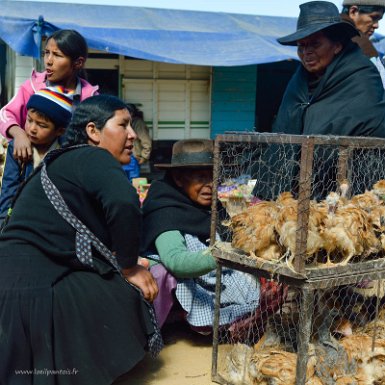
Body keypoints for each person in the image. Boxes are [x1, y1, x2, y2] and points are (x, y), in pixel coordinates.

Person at [0, 94, 162, 385]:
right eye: (123, 125)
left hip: (12, 288)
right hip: (33, 294)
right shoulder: (93, 156)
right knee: (131, 287)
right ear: (93, 131)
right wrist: (128, 267)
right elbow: (125, 204)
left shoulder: (63, 162)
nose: (133, 134)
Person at [141, 139, 261, 333]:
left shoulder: (223, 194)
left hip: (219, 271)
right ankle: (175, 320)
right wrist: (228, 254)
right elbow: (177, 262)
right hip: (189, 275)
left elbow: (257, 209)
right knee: (162, 272)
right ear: (179, 178)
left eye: (214, 177)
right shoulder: (165, 206)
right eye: (200, 177)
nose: (209, 185)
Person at [274, 0, 385, 137]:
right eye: (301, 46)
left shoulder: (361, 77)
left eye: (315, 44)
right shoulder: (298, 82)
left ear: (337, 46)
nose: (306, 52)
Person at [0, 29, 98, 163]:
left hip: (71, 167)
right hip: (31, 164)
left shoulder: (90, 98)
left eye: (57, 55)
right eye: (46, 53)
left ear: (78, 63)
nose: (48, 61)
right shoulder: (32, 88)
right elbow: (5, 115)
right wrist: (19, 134)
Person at [0, 87, 73, 223]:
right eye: (29, 120)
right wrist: (4, 225)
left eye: (42, 125)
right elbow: (8, 190)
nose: (32, 128)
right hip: (21, 219)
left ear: (60, 131)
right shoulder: (16, 148)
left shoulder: (67, 152)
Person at [340, 0, 385, 85]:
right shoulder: (361, 44)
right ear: (353, 11)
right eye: (374, 17)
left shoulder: (325, 31)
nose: (376, 25)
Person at [127, 103, 152, 174]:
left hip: (133, 157)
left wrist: (144, 157)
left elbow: (146, 142)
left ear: (131, 113)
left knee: (133, 180)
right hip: (126, 157)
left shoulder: (138, 123)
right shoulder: (125, 123)